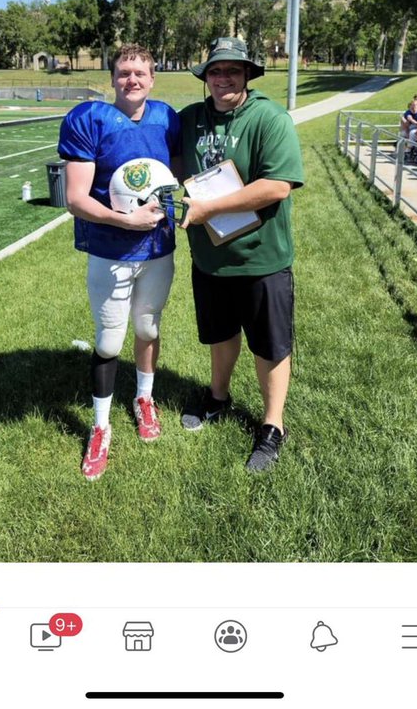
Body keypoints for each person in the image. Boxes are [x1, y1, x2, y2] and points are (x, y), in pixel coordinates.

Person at [177, 37, 304, 473]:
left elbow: (278, 185)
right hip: (210, 258)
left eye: (233, 70)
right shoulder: (190, 119)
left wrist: (208, 207)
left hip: (261, 258)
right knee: (220, 333)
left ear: (248, 74)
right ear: (205, 77)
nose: (223, 78)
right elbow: (157, 154)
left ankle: (273, 425)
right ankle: (218, 396)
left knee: (269, 344)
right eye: (215, 70)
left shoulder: (269, 118)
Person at [58, 44, 180, 481]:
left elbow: (177, 180)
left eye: (140, 73)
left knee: (148, 328)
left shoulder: (167, 118)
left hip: (158, 249)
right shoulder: (90, 119)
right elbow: (75, 199)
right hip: (111, 251)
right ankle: (100, 426)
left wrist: (178, 208)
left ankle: (144, 398)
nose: (132, 80)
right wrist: (124, 220)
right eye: (124, 72)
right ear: (112, 78)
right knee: (109, 341)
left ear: (153, 78)